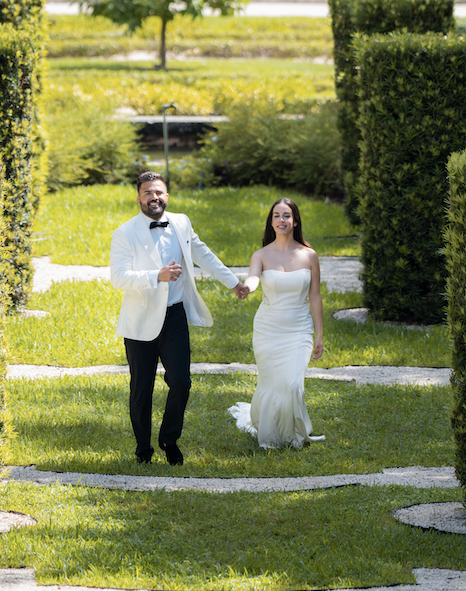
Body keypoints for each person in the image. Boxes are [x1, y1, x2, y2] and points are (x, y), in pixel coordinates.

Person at [110, 170, 250, 466]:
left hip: (174, 316)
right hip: (141, 321)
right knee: (141, 388)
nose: (154, 197)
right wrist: (156, 276)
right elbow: (119, 278)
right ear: (139, 198)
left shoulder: (181, 223)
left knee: (182, 382)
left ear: (167, 196)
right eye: (148, 193)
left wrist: (233, 282)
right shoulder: (125, 232)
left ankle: (169, 439)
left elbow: (204, 254)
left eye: (159, 192)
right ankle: (142, 449)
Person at [229, 196, 323, 450]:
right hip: (268, 328)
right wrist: (246, 288)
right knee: (271, 382)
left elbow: (314, 296)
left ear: (295, 221)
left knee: (293, 384)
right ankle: (270, 436)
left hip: (299, 328)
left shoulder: (309, 255)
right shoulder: (260, 254)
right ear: (271, 222)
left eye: (286, 216)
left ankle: (294, 434)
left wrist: (319, 335)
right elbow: (253, 279)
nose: (281, 220)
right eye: (276, 216)